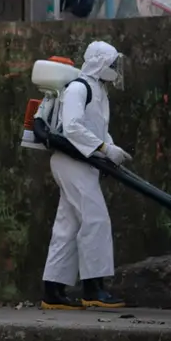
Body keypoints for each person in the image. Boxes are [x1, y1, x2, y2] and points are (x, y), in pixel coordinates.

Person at [42, 39, 128, 311]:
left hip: (83, 163)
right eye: (112, 64)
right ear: (99, 63)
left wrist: (109, 148)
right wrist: (103, 148)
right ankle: (93, 289)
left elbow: (98, 129)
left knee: (67, 226)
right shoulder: (80, 87)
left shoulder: (98, 90)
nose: (115, 69)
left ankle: (52, 291)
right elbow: (72, 126)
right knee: (96, 219)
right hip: (71, 161)